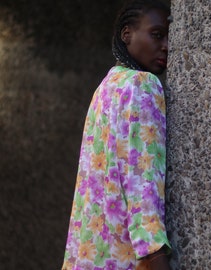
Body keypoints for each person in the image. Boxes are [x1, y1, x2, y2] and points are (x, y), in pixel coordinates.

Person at [61, 1, 172, 269]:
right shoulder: (143, 85)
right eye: (157, 35)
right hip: (127, 259)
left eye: (169, 37)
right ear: (127, 35)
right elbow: (141, 177)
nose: (167, 46)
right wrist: (154, 253)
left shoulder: (105, 88)